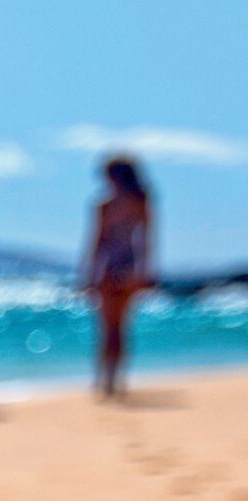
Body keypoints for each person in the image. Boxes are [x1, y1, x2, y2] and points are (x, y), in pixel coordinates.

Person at [83, 157, 154, 398]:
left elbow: (97, 242)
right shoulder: (139, 201)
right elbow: (145, 240)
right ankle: (111, 378)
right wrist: (143, 271)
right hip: (127, 266)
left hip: (114, 267)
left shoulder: (106, 205)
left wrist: (90, 274)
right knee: (117, 326)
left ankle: (107, 378)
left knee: (111, 326)